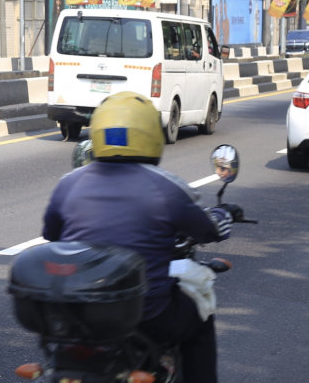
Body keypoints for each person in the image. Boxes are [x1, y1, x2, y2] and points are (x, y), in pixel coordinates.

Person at [41, 92, 235, 383]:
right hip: (146, 313)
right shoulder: (165, 186)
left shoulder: (68, 183)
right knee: (200, 322)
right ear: (149, 134)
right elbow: (209, 230)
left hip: (76, 312)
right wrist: (224, 215)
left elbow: (51, 234)